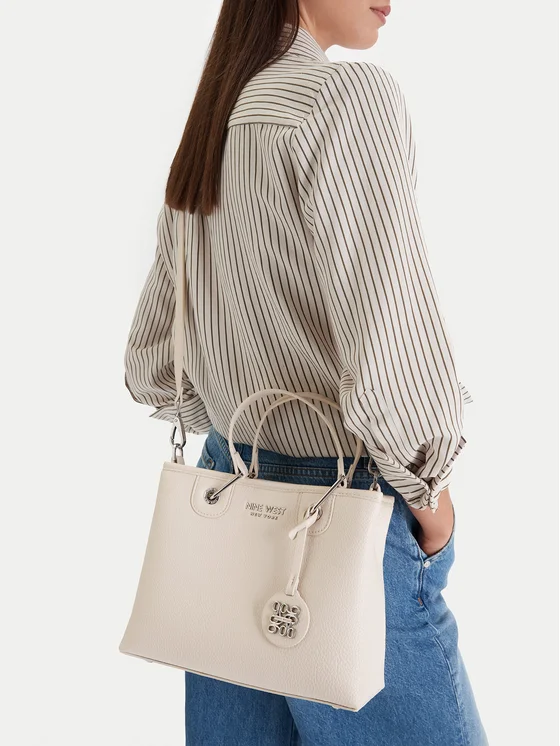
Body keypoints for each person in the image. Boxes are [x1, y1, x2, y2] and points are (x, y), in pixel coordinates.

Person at [123, 2, 488, 744]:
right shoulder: (347, 99)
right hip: (345, 511)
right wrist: (433, 498)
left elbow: (156, 363)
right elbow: (388, 331)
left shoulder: (217, 118)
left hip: (226, 511)